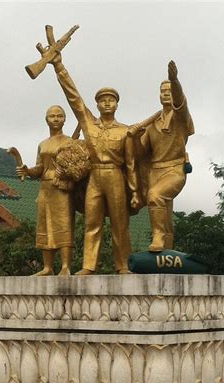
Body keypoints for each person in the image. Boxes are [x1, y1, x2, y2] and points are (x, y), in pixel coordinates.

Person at [48, 52, 140, 275]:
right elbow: (74, 97)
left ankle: (123, 265)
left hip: (115, 176)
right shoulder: (89, 123)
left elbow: (130, 163)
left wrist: (135, 191)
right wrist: (59, 66)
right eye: (102, 100)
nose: (107, 102)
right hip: (95, 178)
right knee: (92, 223)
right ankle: (89, 266)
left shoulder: (125, 130)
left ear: (117, 104)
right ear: (97, 104)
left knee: (120, 224)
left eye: (111, 99)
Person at [134, 61, 194, 251]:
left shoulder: (180, 117)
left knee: (155, 195)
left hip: (174, 169)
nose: (166, 93)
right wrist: (135, 137)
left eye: (169, 90)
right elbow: (141, 152)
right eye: (162, 91)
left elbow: (180, 103)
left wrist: (174, 80)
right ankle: (166, 248)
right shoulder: (152, 124)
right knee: (165, 214)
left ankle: (157, 237)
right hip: (155, 171)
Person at [16, 105, 74, 275]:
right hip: (45, 188)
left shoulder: (70, 142)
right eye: (52, 116)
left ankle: (65, 266)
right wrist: (27, 170)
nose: (56, 119)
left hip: (61, 188)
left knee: (63, 224)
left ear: (64, 119)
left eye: (59, 115)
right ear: (46, 119)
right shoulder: (42, 144)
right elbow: (40, 168)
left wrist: (65, 173)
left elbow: (76, 167)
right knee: (45, 225)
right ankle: (47, 267)